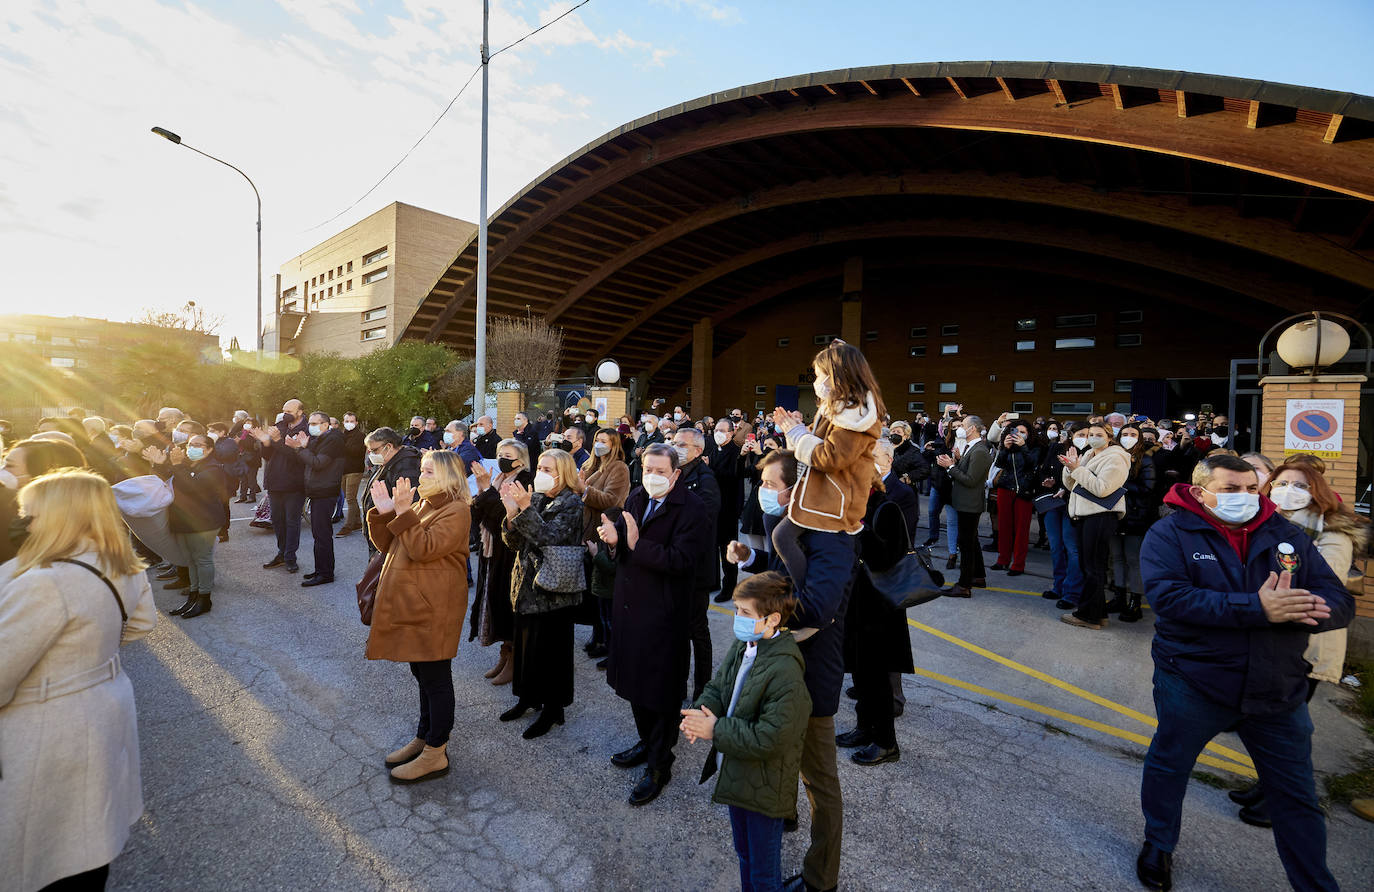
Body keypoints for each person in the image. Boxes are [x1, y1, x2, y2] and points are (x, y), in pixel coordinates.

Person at [1134, 453, 1353, 892]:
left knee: (1296, 796)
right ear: (1201, 492)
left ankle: (1315, 884)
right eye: (1232, 490)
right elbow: (1170, 598)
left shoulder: (1284, 534)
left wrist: (1292, 610)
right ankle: (1158, 842)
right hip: (1195, 680)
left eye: (1252, 489)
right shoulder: (1170, 533)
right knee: (1170, 765)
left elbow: (1339, 601)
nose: (1246, 498)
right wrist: (1257, 607)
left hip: (1277, 686)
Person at [0, 469, 158, 891]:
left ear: (58, 516)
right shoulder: (119, 562)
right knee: (90, 834)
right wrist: (92, 649)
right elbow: (142, 622)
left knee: (48, 845)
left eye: (29, 513)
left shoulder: (45, 581)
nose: (23, 521)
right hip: (102, 698)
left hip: (50, 719)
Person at [1220, 457, 1372, 828]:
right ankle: (1265, 788)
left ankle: (1283, 801)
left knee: (1288, 732)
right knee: (1265, 725)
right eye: (1282, 483)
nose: (1289, 491)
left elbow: (1318, 583)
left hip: (1307, 647)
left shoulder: (1330, 532)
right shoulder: (1270, 523)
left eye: (1300, 486)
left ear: (1316, 492)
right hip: (1271, 642)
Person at [681, 571, 811, 892]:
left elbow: (770, 737)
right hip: (737, 773)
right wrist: (703, 708)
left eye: (745, 612)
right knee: (744, 856)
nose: (736, 618)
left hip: (764, 788)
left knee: (764, 875)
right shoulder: (745, 645)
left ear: (772, 620)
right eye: (737, 609)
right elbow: (720, 684)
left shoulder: (785, 671)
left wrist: (716, 729)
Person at [600, 442, 711, 806]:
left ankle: (660, 764)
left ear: (676, 474)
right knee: (634, 684)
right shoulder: (636, 496)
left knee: (661, 691)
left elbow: (681, 560)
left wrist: (634, 543)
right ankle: (646, 742)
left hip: (665, 615)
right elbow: (620, 543)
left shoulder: (692, 509)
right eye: (648, 469)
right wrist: (614, 543)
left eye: (661, 471)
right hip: (631, 610)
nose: (653, 477)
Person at [367, 451, 472, 784]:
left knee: (436, 679)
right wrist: (386, 513)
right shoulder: (425, 504)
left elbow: (424, 548)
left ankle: (435, 752)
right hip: (416, 604)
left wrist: (400, 512)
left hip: (435, 607)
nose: (420, 476)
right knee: (422, 674)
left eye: (428, 472)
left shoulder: (456, 510)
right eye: (422, 470)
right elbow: (389, 543)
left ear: (448, 477)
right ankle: (424, 736)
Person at [773, 339, 884, 588]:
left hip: (836, 498)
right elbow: (815, 439)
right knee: (778, 528)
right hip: (825, 494)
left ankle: (804, 594)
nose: (816, 381)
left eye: (820, 374)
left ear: (837, 376)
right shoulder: (837, 408)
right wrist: (797, 431)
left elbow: (830, 457)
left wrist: (796, 434)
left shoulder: (854, 414)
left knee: (782, 536)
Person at [499, 447, 585, 739]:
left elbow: (548, 538)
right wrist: (511, 515)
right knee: (526, 647)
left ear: (564, 473)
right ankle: (527, 697)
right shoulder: (534, 497)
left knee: (552, 652)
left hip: (553, 590)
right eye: (540, 468)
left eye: (549, 470)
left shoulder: (572, 503)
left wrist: (524, 511)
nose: (542, 475)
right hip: (526, 587)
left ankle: (552, 709)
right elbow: (513, 543)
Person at [837, 455, 916, 767]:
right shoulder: (854, 507)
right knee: (860, 673)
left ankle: (886, 742)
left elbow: (887, 556)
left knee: (878, 677)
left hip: (880, 608)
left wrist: (858, 530)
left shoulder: (887, 507)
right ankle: (864, 727)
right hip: (856, 603)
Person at [469, 439, 532, 685]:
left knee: (509, 605)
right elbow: (478, 513)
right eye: (500, 453)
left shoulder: (526, 480)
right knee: (494, 601)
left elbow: (503, 520)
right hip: (491, 550)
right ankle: (504, 654)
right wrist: (485, 492)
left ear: (521, 459)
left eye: (508, 454)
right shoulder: (499, 479)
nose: (503, 458)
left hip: (510, 552)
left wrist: (486, 492)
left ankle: (515, 658)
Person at [1059, 423, 1130, 630]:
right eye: (1091, 434)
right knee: (1089, 566)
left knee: (1093, 567)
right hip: (1085, 515)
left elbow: (1102, 489)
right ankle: (1098, 614)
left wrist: (1077, 469)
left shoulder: (1116, 457)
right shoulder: (1089, 454)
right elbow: (1073, 485)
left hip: (1100, 516)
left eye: (1099, 434)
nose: (1093, 437)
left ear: (1109, 437)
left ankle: (1089, 615)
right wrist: (1070, 467)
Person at [153, 434, 229, 618]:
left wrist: (177, 465)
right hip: (183, 520)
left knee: (202, 559)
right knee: (190, 560)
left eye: (198, 445)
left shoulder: (214, 468)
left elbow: (190, 486)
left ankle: (204, 598)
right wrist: (160, 463)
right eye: (190, 444)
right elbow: (167, 479)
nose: (191, 448)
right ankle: (193, 596)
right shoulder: (188, 464)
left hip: (204, 522)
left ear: (209, 449)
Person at [671, 427, 721, 702]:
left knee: (697, 629)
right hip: (675, 563)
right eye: (674, 442)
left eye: (682, 444)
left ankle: (703, 687)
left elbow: (704, 518)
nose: (675, 447)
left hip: (696, 567)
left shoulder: (704, 478)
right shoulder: (675, 473)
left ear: (698, 450)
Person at [578, 429, 629, 660]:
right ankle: (597, 635)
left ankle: (609, 641)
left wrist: (584, 490)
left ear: (614, 444)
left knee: (604, 592)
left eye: (603, 441)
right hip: (586, 533)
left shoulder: (619, 468)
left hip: (604, 533)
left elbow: (612, 500)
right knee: (591, 590)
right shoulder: (591, 464)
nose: (598, 444)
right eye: (597, 440)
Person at [1107, 424, 1158, 623]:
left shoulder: (1145, 460)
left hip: (1136, 516)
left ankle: (1135, 602)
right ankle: (1119, 596)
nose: (1128, 437)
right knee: (1117, 558)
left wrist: (1120, 483)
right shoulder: (1113, 456)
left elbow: (1147, 488)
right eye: (1125, 434)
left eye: (1133, 434)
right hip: (1114, 514)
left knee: (1133, 560)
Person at [938, 415, 993, 597]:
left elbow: (970, 480)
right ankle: (978, 576)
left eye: (963, 425)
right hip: (964, 503)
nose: (959, 428)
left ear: (973, 429)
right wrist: (954, 463)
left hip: (970, 504)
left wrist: (950, 467)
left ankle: (964, 585)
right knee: (972, 541)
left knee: (966, 544)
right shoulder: (972, 448)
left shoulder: (980, 451)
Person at [255, 400, 310, 574]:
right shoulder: (279, 426)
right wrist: (265, 442)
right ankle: (281, 553)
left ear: (300, 412)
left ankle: (290, 557)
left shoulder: (306, 430)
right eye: (283, 410)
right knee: (278, 521)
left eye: (289, 410)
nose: (285, 413)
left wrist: (278, 441)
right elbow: (268, 455)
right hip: (275, 482)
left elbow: (298, 457)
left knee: (292, 522)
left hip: (294, 484)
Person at [1036, 422, 1084, 607]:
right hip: (1054, 502)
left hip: (1075, 504)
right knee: (1056, 547)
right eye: (1080, 433)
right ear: (1071, 434)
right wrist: (1048, 481)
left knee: (1072, 549)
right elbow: (1044, 470)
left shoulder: (1090, 453)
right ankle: (1059, 586)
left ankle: (1072, 593)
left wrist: (1066, 487)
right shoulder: (1057, 448)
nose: (1084, 437)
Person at [361, 428, 423, 555]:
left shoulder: (406, 466)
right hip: (385, 532)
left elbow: (411, 504)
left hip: (392, 536)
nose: (371, 455)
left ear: (388, 446)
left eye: (374, 450)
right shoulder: (388, 461)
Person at [990, 419, 1039, 577]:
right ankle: (1002, 560)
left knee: (1021, 530)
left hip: (1023, 491)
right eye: (1016, 431)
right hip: (1005, 489)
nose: (1019, 435)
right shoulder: (1007, 447)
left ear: (1028, 434)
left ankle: (1018, 564)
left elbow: (1032, 464)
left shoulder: (1034, 448)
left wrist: (1023, 447)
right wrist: (1005, 448)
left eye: (1023, 432)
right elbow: (999, 463)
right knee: (1004, 527)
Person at [711, 419, 747, 605]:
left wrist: (710, 468)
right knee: (712, 547)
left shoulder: (736, 453)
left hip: (728, 508)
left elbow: (732, 476)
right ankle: (713, 582)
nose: (718, 433)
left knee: (728, 550)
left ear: (731, 433)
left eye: (722, 430)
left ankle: (729, 586)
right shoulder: (711, 449)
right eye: (716, 429)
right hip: (712, 507)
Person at [336, 412, 368, 537]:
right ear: (343, 422)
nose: (349, 423)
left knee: (349, 498)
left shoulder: (360, 436)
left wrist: (341, 446)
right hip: (343, 470)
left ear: (356, 423)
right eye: (347, 421)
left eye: (352, 421)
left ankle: (347, 526)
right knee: (350, 498)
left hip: (355, 470)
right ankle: (357, 522)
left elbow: (357, 451)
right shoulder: (342, 435)